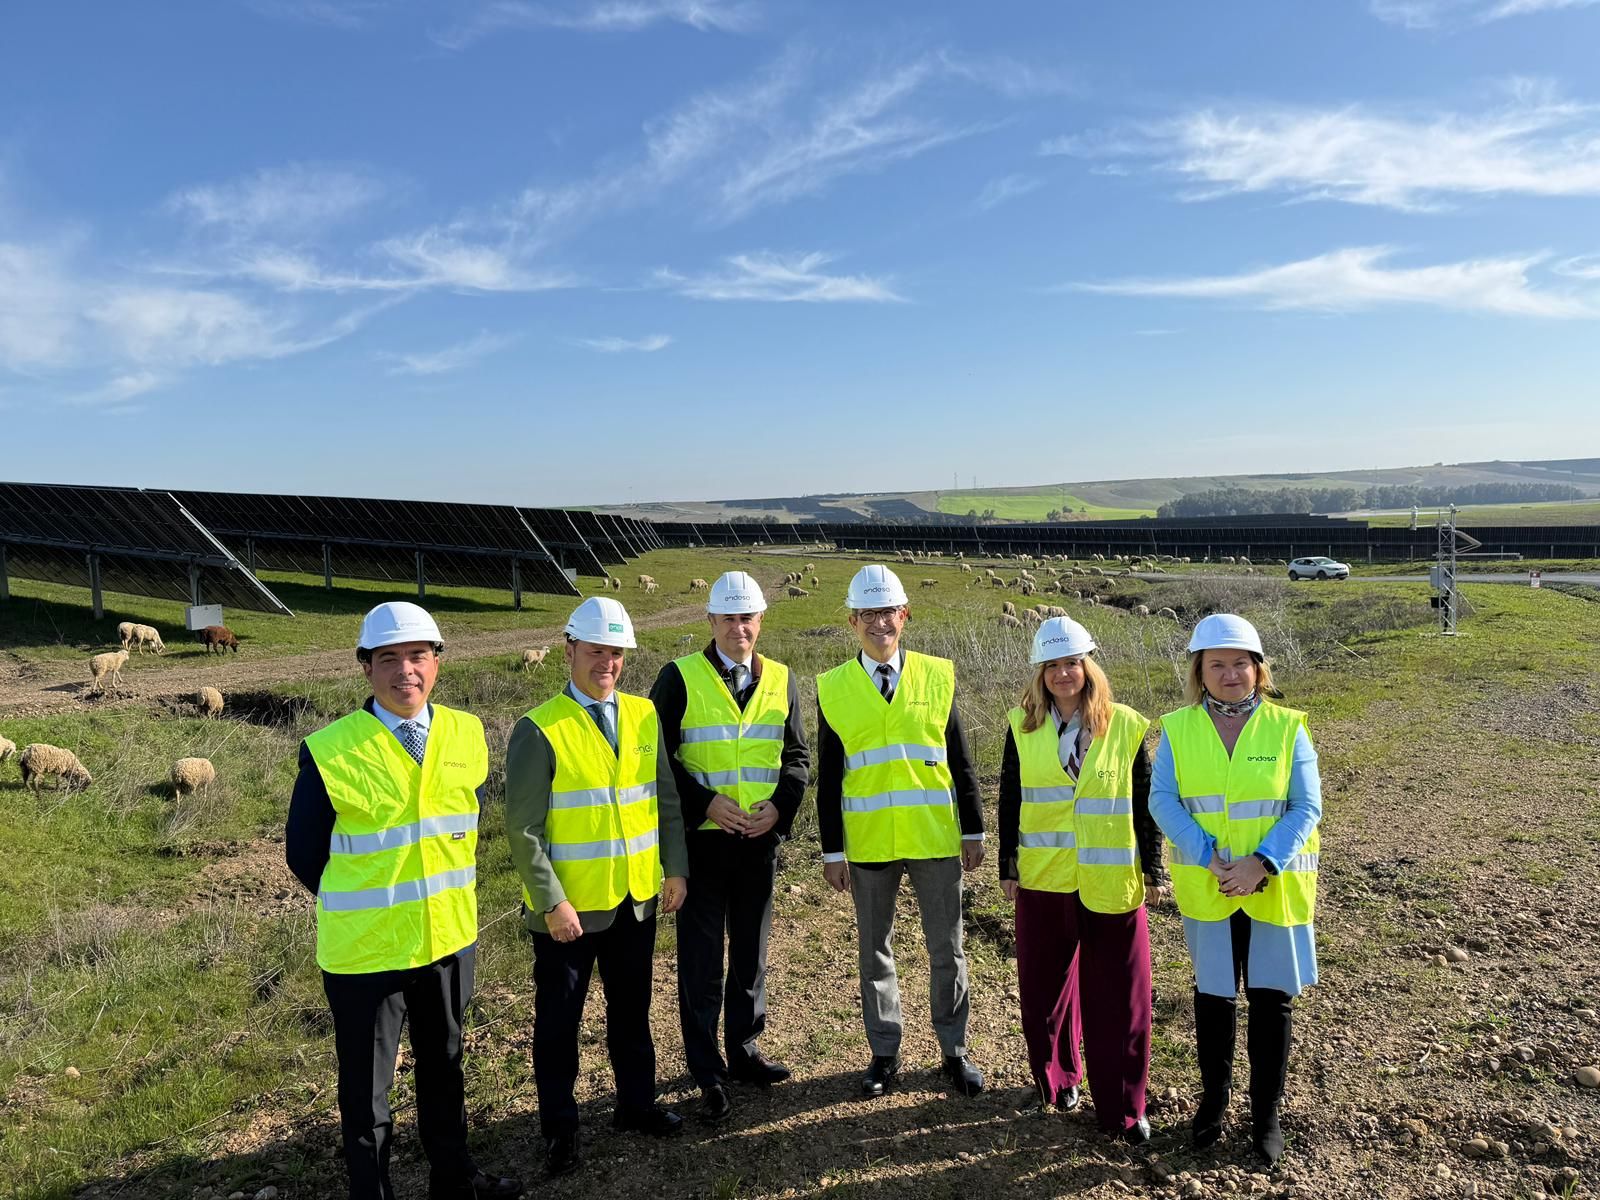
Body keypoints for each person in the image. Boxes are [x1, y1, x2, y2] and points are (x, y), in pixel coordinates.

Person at [285, 601, 521, 1200]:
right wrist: (372, 905)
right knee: (367, 1094)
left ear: (436, 662)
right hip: (366, 954)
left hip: (447, 940)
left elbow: (465, 827)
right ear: (366, 669)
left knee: (445, 1068)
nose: (405, 671)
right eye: (388, 658)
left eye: (418, 656)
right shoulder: (330, 750)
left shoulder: (467, 733)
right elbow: (304, 856)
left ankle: (455, 1180)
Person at [504, 595, 690, 1177]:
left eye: (615, 653)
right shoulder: (539, 729)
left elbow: (664, 799)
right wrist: (551, 901)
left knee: (632, 1013)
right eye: (595, 651)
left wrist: (676, 867)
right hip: (571, 912)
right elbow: (523, 829)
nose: (606, 663)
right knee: (559, 1025)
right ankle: (560, 1131)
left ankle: (637, 1105)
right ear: (569, 651)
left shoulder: (642, 715)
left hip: (636, 899)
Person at [1148, 613, 1322, 1168]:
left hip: (1271, 887)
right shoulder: (1177, 728)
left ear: (1258, 669)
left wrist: (1260, 863)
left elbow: (1306, 806)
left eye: (1240, 663)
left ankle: (1265, 1114)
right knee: (1214, 997)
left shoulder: (1288, 726)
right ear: (1199, 670)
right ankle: (1213, 1104)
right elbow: (1163, 800)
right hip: (1210, 886)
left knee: (1271, 1000)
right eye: (1216, 664)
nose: (1229, 674)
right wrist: (1211, 858)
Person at [815, 564, 986, 1099]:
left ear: (904, 615)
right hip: (868, 843)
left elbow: (960, 758)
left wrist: (974, 830)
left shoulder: (938, 676)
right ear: (853, 621)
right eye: (869, 614)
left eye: (888, 612)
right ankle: (884, 1053)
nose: (879, 623)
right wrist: (832, 850)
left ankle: (954, 1052)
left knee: (947, 948)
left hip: (934, 836)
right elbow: (829, 775)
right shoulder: (834, 688)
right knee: (875, 952)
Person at [648, 571, 811, 1123]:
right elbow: (657, 758)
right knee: (699, 963)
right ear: (711, 621)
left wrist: (780, 808)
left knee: (750, 955)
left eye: (748, 618)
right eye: (729, 618)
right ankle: (706, 1071)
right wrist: (703, 803)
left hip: (757, 845)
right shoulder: (679, 678)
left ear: (760, 620)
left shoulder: (783, 679)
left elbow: (796, 757)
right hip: (702, 846)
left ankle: (744, 1051)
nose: (740, 628)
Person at [997, 616, 1165, 1144]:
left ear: (1088, 666)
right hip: (1044, 878)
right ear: (1039, 673)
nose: (1064, 674)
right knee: (1043, 990)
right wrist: (1009, 864)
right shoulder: (1020, 726)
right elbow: (1009, 799)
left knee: (1120, 997)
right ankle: (1056, 1080)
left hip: (1112, 881)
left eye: (1072, 663)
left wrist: (1153, 868)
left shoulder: (1128, 726)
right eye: (1052, 665)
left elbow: (1145, 803)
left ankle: (1123, 1107)